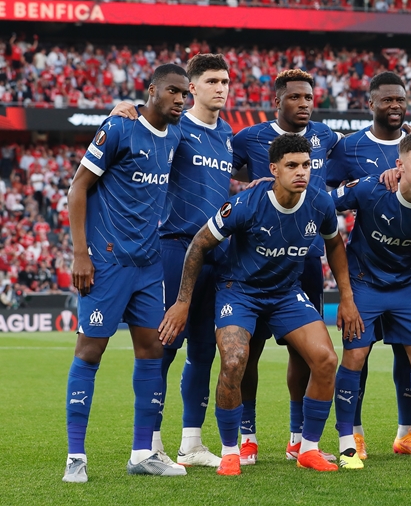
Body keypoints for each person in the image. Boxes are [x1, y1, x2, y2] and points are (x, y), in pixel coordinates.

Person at [159, 134, 362, 475]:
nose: (302, 172)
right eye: (292, 166)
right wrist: (183, 302)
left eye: (307, 165)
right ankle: (230, 451)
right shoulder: (247, 203)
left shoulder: (319, 202)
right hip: (238, 291)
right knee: (235, 359)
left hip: (285, 293)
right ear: (273, 169)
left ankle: (308, 448)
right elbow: (199, 244)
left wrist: (347, 297)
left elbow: (335, 245)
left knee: (326, 360)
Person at [63, 64, 189, 483]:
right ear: (151, 90)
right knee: (90, 352)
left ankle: (142, 453)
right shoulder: (119, 128)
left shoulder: (175, 135)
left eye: (184, 94)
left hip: (149, 265)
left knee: (153, 351)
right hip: (108, 262)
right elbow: (77, 187)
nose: (180, 99)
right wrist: (81, 254)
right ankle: (75, 458)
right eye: (172, 91)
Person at [110, 53, 234, 467]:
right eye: (212, 81)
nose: (221, 88)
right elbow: (142, 124)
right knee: (162, 347)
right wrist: (122, 108)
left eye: (226, 81)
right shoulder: (177, 127)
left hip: (215, 254)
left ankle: (192, 443)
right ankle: (152, 442)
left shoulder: (228, 135)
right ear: (192, 88)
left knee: (203, 350)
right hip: (174, 248)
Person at [331, 132, 411, 468]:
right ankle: (348, 442)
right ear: (399, 166)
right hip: (364, 284)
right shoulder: (371, 189)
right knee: (356, 355)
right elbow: (324, 202)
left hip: (406, 285)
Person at [231, 69, 341, 465]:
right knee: (250, 350)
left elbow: (358, 150)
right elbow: (215, 175)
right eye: (295, 97)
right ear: (277, 101)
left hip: (306, 260)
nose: (304, 104)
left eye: (309, 97)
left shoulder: (326, 136)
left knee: (305, 353)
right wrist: (249, 190)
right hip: (257, 261)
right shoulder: (248, 138)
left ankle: (298, 437)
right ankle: (248, 436)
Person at [326, 71, 411, 460]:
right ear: (371, 103)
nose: (394, 106)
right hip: (364, 271)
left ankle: (406, 432)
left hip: (409, 270)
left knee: (409, 353)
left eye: (400, 99)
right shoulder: (349, 147)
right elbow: (325, 195)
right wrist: (365, 186)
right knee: (357, 353)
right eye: (387, 100)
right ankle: (355, 433)